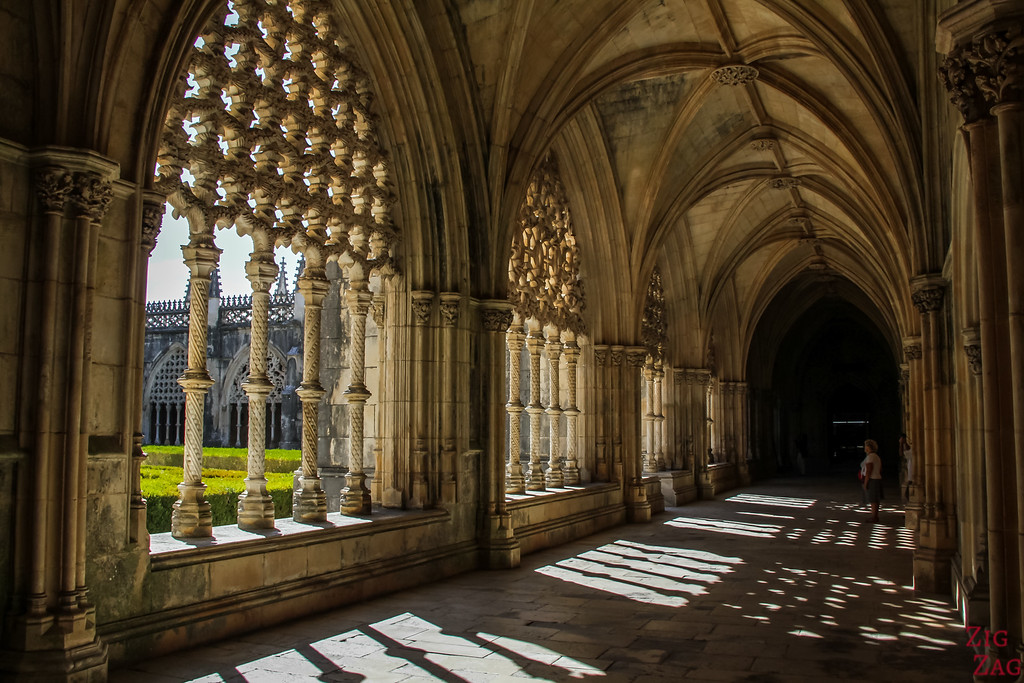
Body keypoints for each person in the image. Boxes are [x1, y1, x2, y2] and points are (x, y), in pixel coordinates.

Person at [861, 439, 883, 522]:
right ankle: (875, 516)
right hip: (877, 478)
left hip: (872, 479)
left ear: (869, 447)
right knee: (875, 499)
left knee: (873, 499)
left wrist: (866, 483)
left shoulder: (870, 457)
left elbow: (869, 471)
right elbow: (880, 469)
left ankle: (874, 517)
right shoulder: (876, 456)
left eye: (866, 446)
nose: (864, 447)